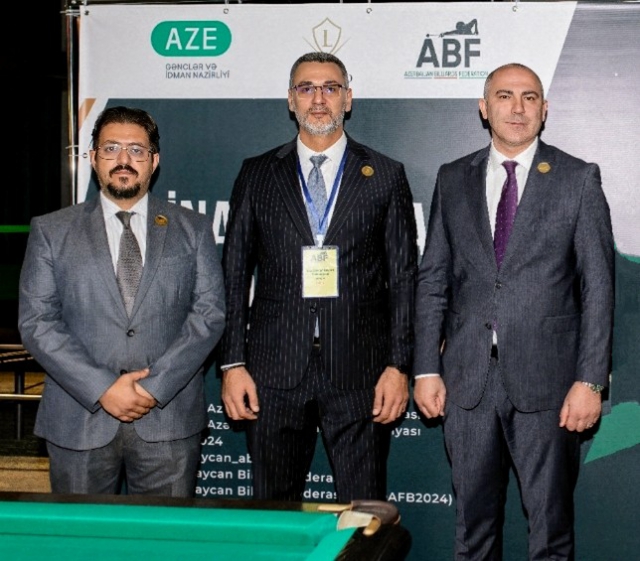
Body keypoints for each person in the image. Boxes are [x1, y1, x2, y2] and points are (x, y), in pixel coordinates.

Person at [413, 63, 614, 560]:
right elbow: (433, 278)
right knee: (472, 532)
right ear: (484, 108)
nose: (517, 108)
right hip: (467, 383)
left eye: (529, 97)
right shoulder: (452, 177)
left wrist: (590, 381)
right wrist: (426, 368)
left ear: (545, 109)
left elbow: (598, 288)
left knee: (550, 534)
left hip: (550, 386)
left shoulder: (577, 178)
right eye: (504, 96)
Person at [220, 52, 417, 502]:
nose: (319, 99)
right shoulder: (257, 174)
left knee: (364, 514)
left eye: (331, 87)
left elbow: (405, 278)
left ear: (348, 98)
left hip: (361, 372)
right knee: (274, 513)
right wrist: (232, 364)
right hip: (272, 370)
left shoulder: (385, 175)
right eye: (306, 88)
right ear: (291, 100)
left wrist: (398, 366)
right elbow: (233, 273)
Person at [18, 106, 226, 497]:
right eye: (111, 148)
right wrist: (102, 388)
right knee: (81, 533)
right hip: (79, 419)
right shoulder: (51, 231)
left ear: (154, 161)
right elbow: (37, 322)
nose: (123, 160)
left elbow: (209, 315)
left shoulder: (193, 229)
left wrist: (153, 388)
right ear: (93, 157)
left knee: (164, 533)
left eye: (136, 150)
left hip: (167, 420)